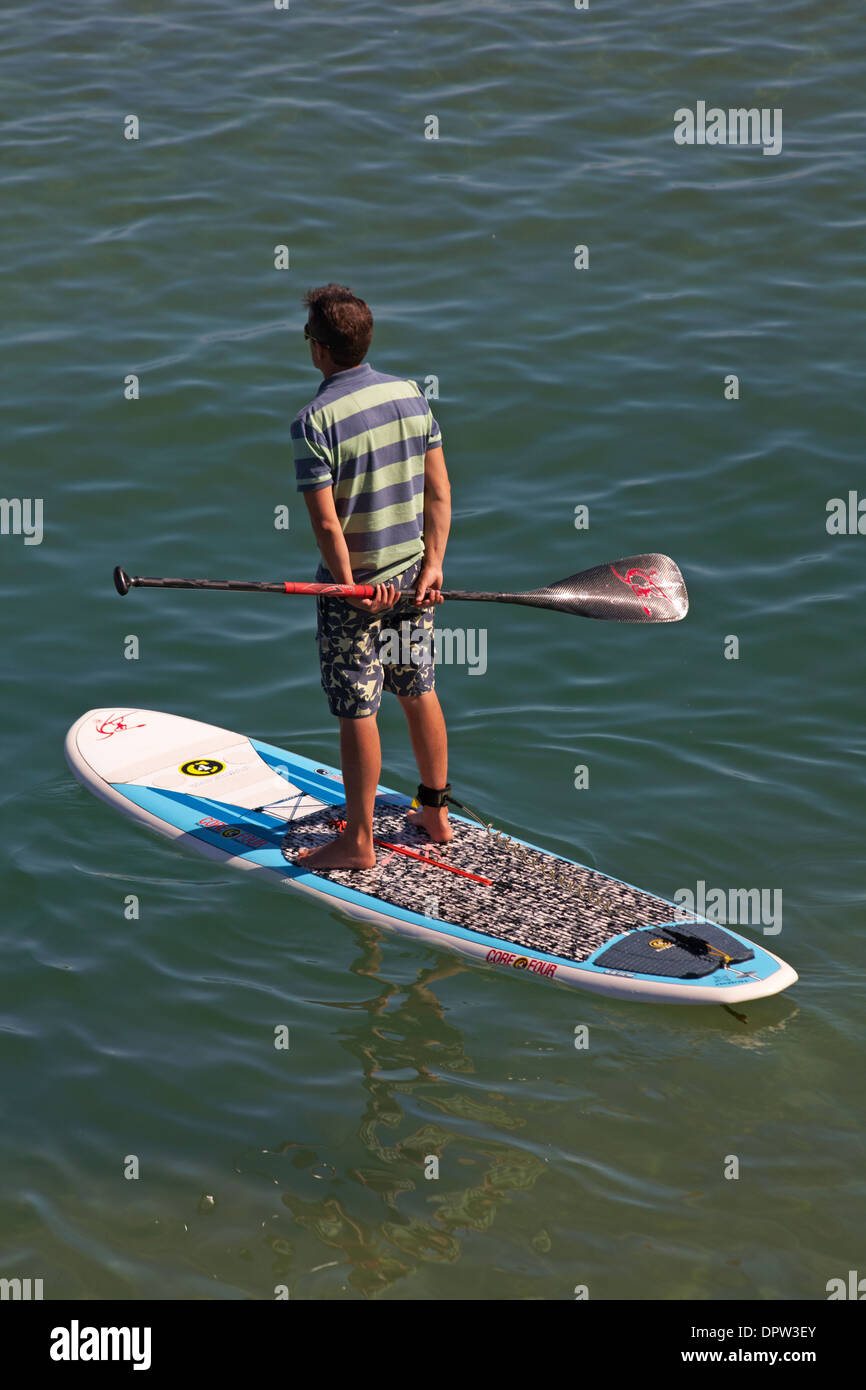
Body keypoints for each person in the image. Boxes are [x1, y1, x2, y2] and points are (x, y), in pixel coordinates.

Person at [290, 283, 452, 869]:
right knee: (417, 686)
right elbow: (439, 490)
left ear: (321, 349)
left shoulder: (314, 421)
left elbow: (328, 527)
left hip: (355, 588)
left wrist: (348, 587)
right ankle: (435, 813)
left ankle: (357, 843)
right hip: (414, 576)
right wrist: (432, 565)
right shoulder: (411, 395)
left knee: (357, 707)